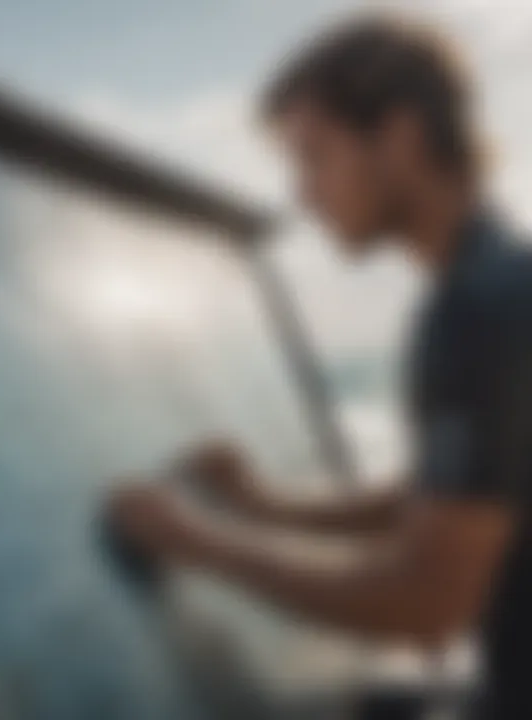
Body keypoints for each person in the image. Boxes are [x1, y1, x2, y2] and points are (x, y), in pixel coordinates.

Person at [105, 16, 532, 719]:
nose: (303, 194)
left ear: (397, 136)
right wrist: (266, 505)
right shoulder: (504, 281)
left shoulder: (476, 315)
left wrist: (201, 544)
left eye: (313, 156)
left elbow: (427, 605)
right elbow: (440, 499)